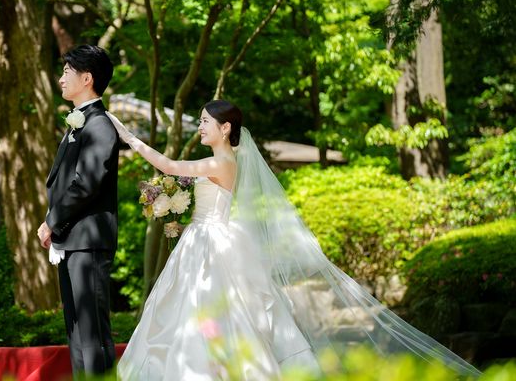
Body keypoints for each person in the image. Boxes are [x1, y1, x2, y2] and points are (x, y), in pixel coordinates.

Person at [106, 100, 482, 380]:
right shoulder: (223, 160)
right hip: (204, 239)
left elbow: (171, 167)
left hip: (209, 243)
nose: (200, 126)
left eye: (205, 121)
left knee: (209, 310)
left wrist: (129, 138)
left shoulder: (221, 162)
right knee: (199, 309)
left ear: (225, 128)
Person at [37, 44, 118, 378]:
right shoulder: (80, 124)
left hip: (88, 242)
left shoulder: (99, 125)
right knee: (76, 332)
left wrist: (51, 221)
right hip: (72, 240)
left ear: (87, 78)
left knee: (92, 333)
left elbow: (85, 184)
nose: (61, 79)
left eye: (67, 71)